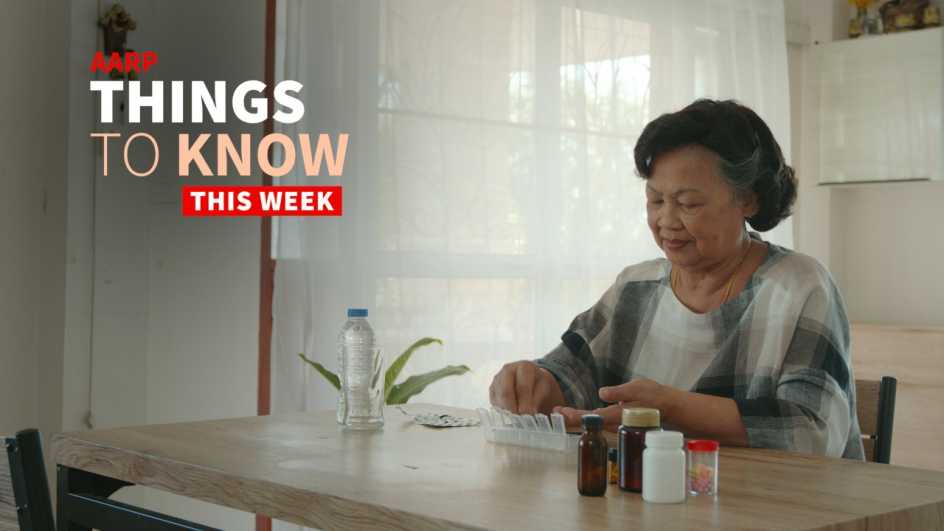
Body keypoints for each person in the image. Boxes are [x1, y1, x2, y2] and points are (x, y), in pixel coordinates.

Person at [489, 99, 864, 459]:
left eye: (688, 204)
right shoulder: (636, 287)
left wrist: (669, 407)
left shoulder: (799, 288)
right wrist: (530, 382)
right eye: (655, 201)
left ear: (747, 200)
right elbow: (569, 376)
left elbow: (814, 433)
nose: (666, 221)